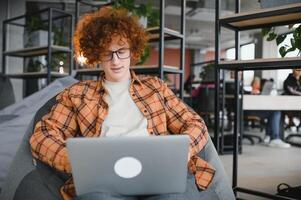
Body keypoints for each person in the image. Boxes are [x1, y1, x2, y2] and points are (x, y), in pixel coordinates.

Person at [28, 7, 216, 200]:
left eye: (121, 51)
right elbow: (42, 136)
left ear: (132, 50)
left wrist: (185, 150)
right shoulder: (77, 94)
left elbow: (195, 123)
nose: (115, 60)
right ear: (96, 54)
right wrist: (73, 161)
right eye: (107, 53)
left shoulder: (156, 88)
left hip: (159, 173)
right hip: (103, 181)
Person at [245, 77, 291, 148]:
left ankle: (269, 135)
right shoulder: (248, 92)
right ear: (252, 84)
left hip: (256, 108)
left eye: (258, 83)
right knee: (275, 111)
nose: (257, 85)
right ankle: (274, 138)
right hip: (248, 110)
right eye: (255, 83)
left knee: (274, 111)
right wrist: (251, 93)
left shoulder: (258, 92)